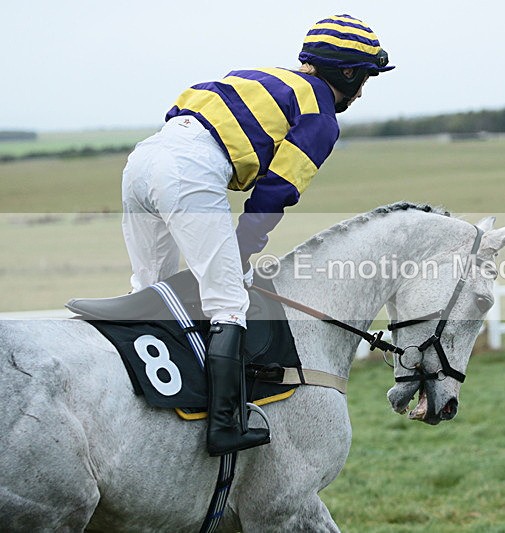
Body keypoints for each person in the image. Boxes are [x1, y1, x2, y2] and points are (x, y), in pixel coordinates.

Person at [120, 14, 394, 456]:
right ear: (348, 72)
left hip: (143, 160)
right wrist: (244, 251)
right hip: (189, 171)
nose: (362, 91)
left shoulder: (257, 75)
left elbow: (183, 110)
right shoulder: (320, 115)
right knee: (229, 301)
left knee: (151, 292)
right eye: (364, 79)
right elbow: (277, 191)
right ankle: (225, 425)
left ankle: (143, 406)